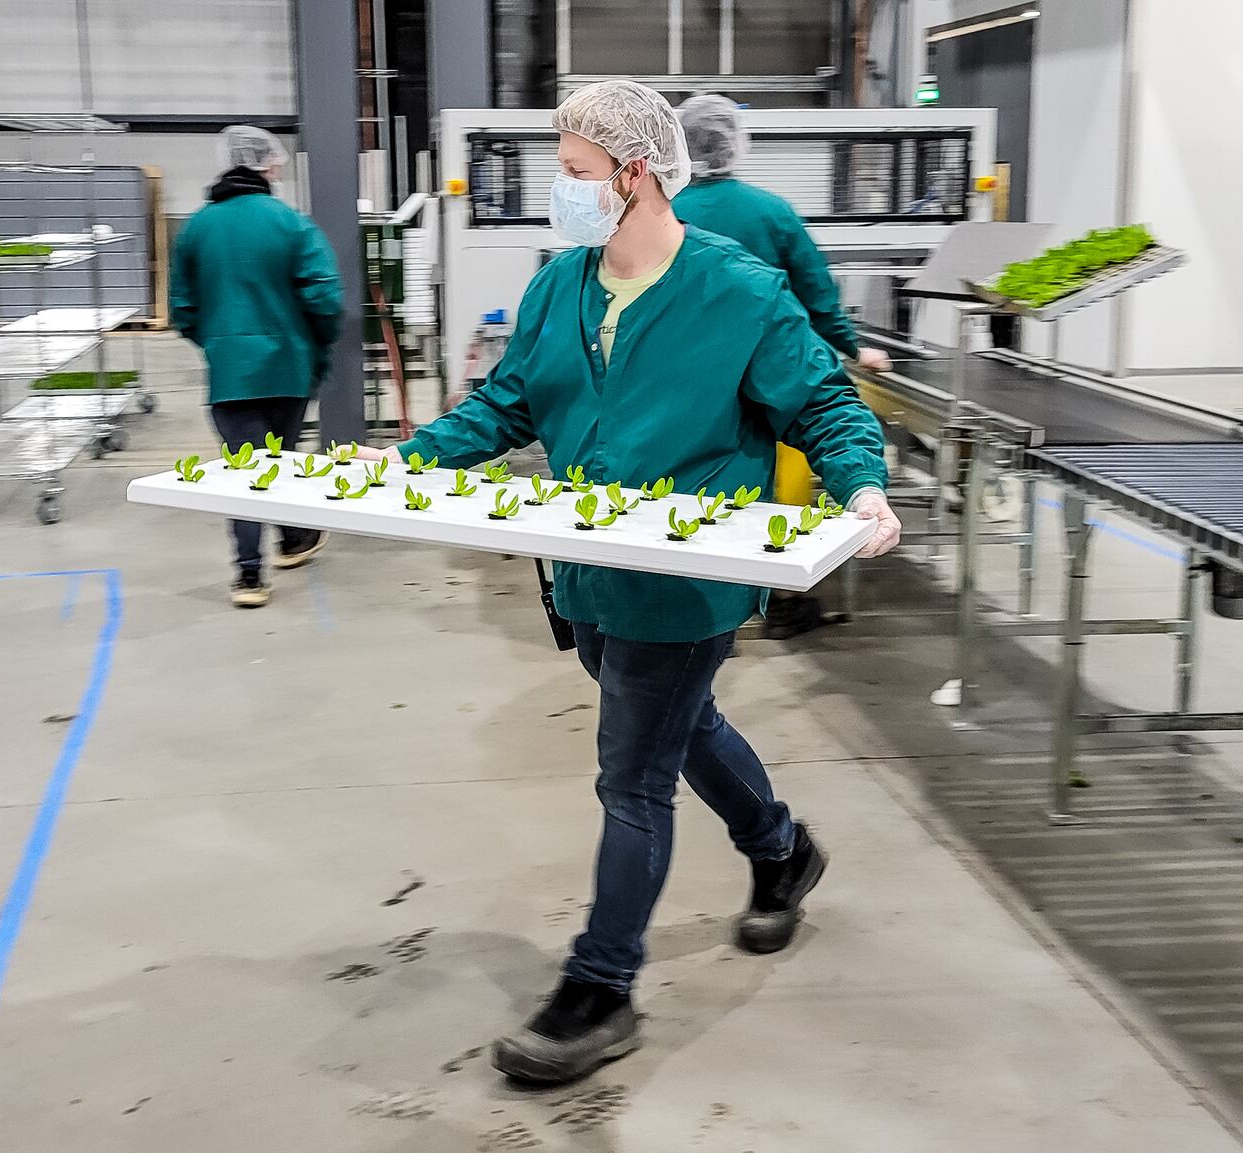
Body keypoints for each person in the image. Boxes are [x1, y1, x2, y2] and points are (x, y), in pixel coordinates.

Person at [367, 80, 901, 1085]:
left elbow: (823, 401)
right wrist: (413, 459)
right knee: (681, 724)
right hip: (585, 570)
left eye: (572, 175)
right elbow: (512, 402)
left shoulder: (736, 290)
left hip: (684, 582)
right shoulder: (559, 285)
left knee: (632, 776)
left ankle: (599, 988)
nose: (557, 194)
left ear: (635, 174)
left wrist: (863, 487)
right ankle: (781, 848)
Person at [675, 95, 894, 639]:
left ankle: (696, 603)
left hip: (688, 375)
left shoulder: (664, 207)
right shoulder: (770, 210)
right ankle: (781, 595)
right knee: (783, 483)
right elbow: (815, 292)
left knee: (694, 482)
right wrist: (852, 347)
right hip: (771, 373)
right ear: (735, 144)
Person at [171, 125, 345, 608]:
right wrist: (315, 347)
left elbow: (182, 309)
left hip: (229, 374)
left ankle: (251, 574)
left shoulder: (196, 228)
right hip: (288, 368)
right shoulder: (290, 223)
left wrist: (220, 345)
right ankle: (291, 540)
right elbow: (325, 297)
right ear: (267, 166)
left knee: (243, 467)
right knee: (280, 457)